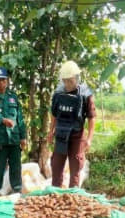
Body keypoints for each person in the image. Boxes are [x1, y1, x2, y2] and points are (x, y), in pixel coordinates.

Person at [47, 60, 96, 188]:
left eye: (71, 81)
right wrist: (51, 132)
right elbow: (54, 114)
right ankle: (55, 194)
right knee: (56, 165)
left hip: (77, 135)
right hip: (61, 134)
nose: (68, 84)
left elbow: (92, 118)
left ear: (77, 78)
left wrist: (89, 139)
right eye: (65, 81)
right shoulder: (58, 94)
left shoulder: (85, 94)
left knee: (75, 167)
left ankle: (72, 196)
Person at [0, 66, 27, 200]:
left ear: (7, 81)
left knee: (16, 166)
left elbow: (19, 118)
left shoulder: (13, 97)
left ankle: (17, 191)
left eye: (3, 80)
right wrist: (3, 120)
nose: (1, 83)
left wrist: (23, 137)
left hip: (14, 139)